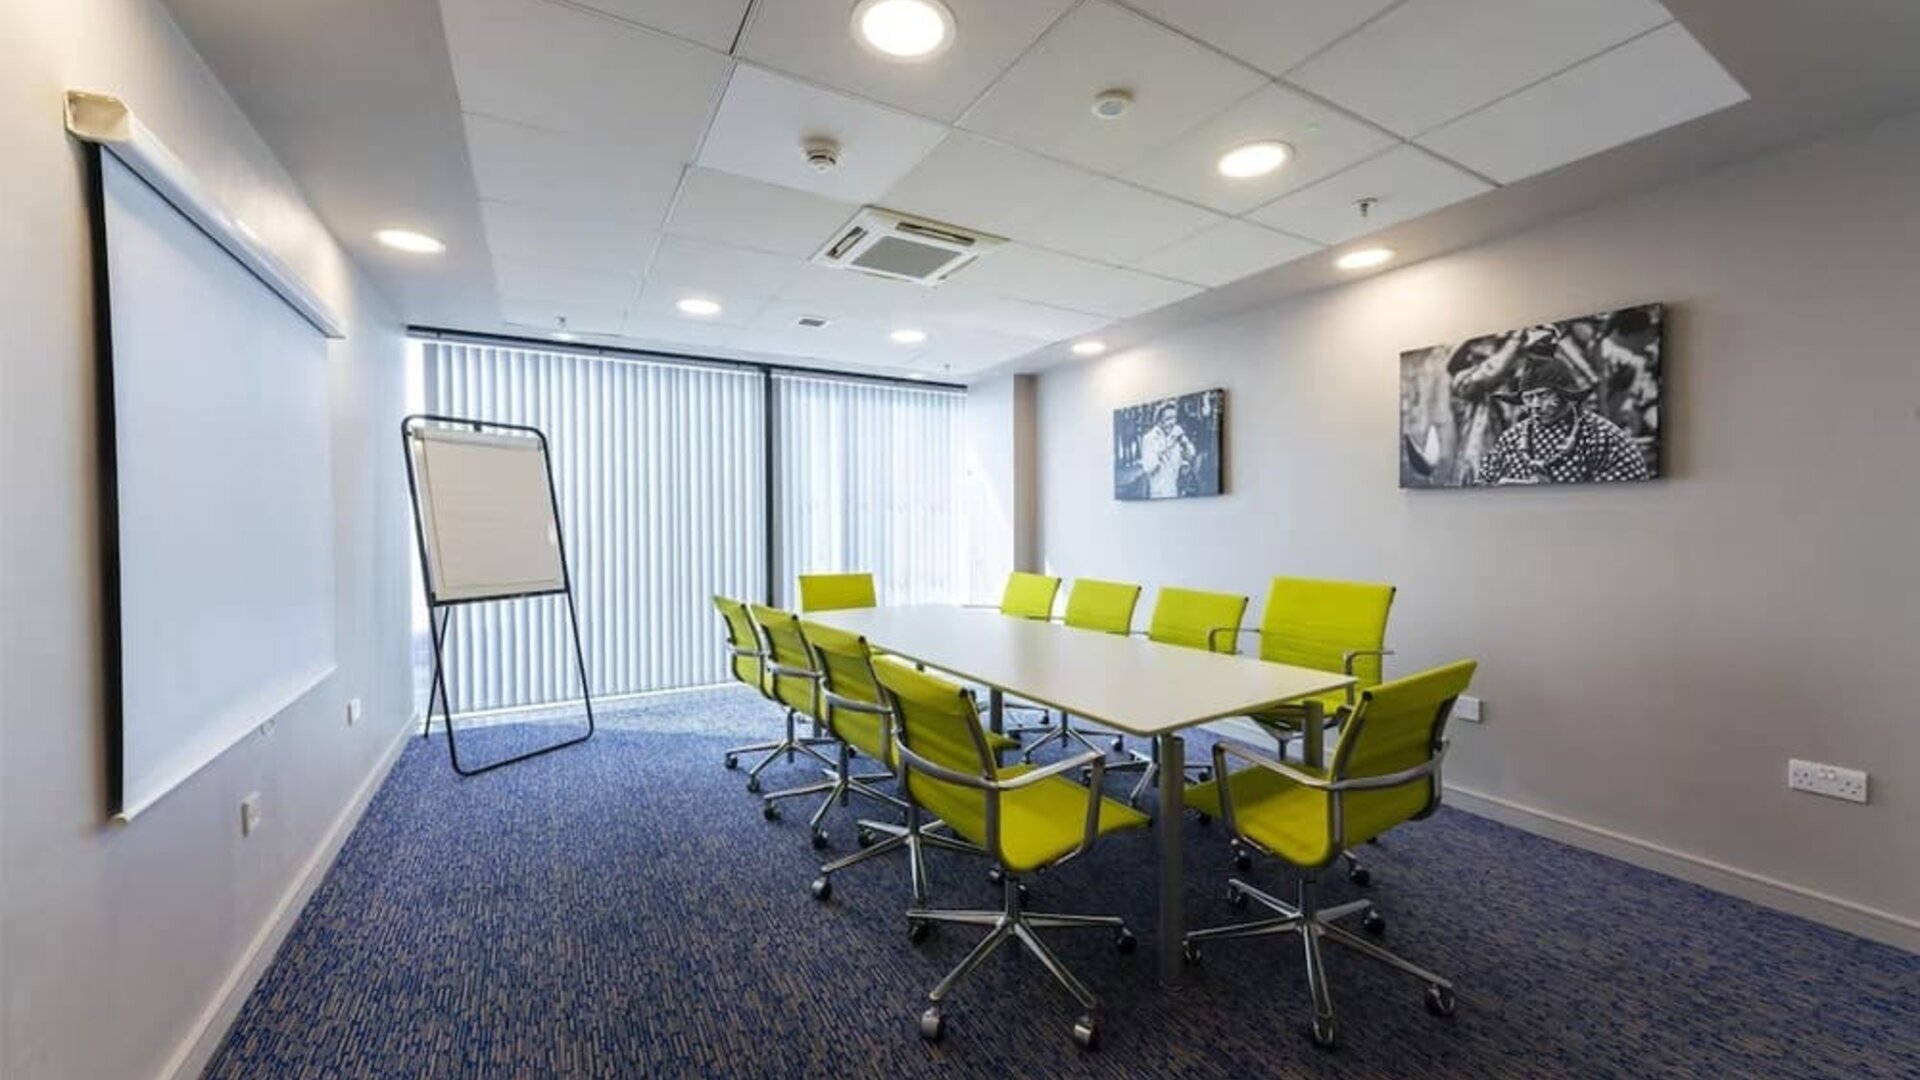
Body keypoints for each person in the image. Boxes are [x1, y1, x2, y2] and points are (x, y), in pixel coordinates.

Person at [1476, 352, 1652, 485]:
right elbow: (1482, 481)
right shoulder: (1511, 438)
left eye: (1544, 395)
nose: (1535, 405)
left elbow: (1627, 496)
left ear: (1565, 395)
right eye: (1528, 398)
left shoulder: (1603, 436)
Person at [1139, 401, 1196, 498]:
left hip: (1176, 492)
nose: (1172, 422)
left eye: (1174, 418)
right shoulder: (1149, 438)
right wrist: (1168, 445)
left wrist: (1185, 442)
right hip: (1158, 494)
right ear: (1159, 421)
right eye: (1168, 418)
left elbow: (1191, 455)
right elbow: (1148, 467)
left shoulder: (1177, 436)